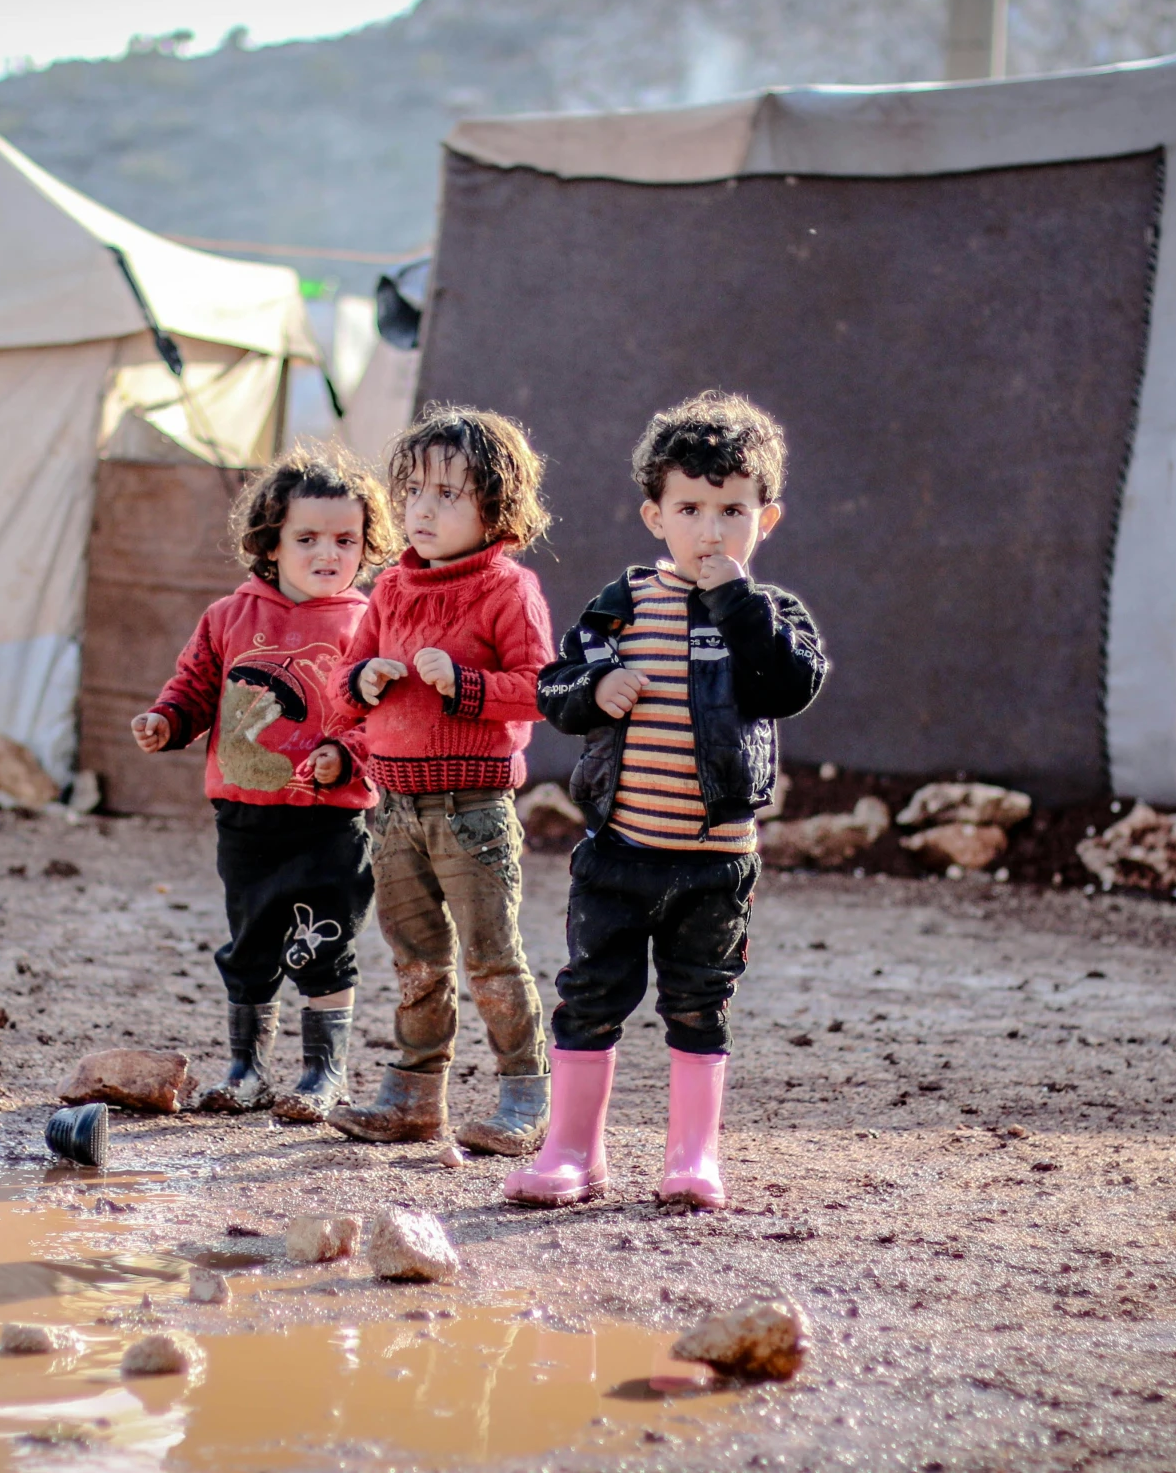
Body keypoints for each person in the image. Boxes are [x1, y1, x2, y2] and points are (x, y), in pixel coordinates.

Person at [505, 391, 828, 1209]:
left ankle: (694, 1157)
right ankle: (573, 1151)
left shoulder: (770, 615)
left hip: (715, 863)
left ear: (768, 518)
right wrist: (596, 685)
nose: (711, 530)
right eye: (690, 508)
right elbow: (554, 686)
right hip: (618, 853)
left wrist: (736, 602)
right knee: (591, 996)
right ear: (655, 515)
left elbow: (789, 685)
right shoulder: (620, 605)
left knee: (699, 1004)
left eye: (732, 510)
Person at [130, 444, 397, 1122]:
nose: (327, 552)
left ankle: (323, 1072)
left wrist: (345, 753)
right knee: (250, 941)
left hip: (328, 819)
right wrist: (167, 720)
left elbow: (383, 718)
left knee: (325, 940)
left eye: (345, 539)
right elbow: (194, 686)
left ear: (366, 545)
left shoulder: (368, 622)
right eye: (307, 537)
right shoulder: (227, 616)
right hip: (245, 816)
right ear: (270, 541)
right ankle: (247, 1067)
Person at [326, 405, 557, 1155]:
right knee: (416, 957)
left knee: (490, 955)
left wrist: (464, 685)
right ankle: (413, 1096)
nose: (422, 508)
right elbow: (339, 687)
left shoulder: (507, 589)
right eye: (415, 490)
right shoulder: (390, 587)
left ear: (498, 507)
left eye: (448, 494)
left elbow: (542, 688)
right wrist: (364, 681)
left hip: (472, 809)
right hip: (393, 810)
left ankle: (525, 1093)